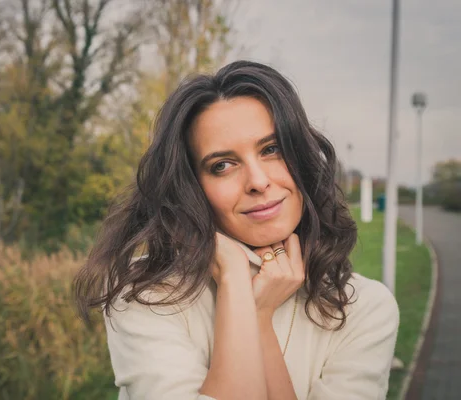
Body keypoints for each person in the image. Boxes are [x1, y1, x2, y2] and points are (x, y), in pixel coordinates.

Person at [73, 60, 399, 400]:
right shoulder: (145, 295)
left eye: (271, 150)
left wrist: (259, 318)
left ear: (300, 156)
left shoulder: (365, 309)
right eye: (222, 166)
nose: (258, 182)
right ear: (191, 187)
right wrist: (232, 277)